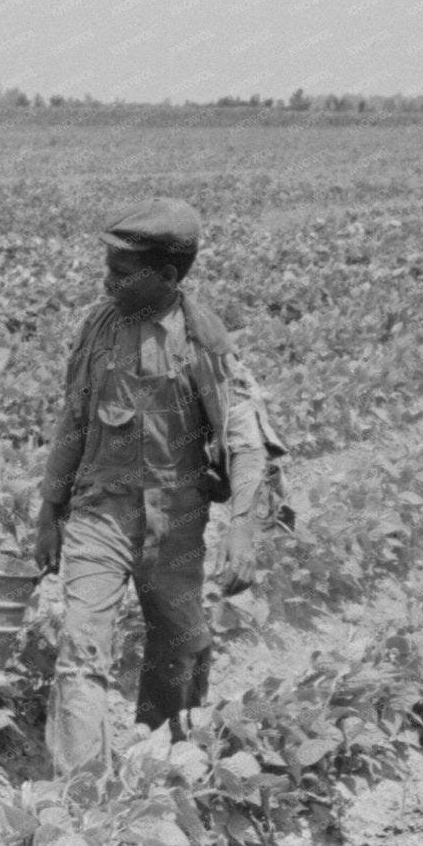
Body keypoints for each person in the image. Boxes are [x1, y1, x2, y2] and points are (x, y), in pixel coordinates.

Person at [32, 197, 289, 776]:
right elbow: (73, 421)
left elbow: (246, 441)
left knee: (178, 642)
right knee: (81, 652)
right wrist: (50, 512)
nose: (107, 280)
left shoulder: (203, 343)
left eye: (122, 274)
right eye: (108, 267)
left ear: (167, 277)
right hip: (100, 513)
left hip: (174, 522)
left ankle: (164, 756)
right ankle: (80, 794)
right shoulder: (97, 327)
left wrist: (243, 527)